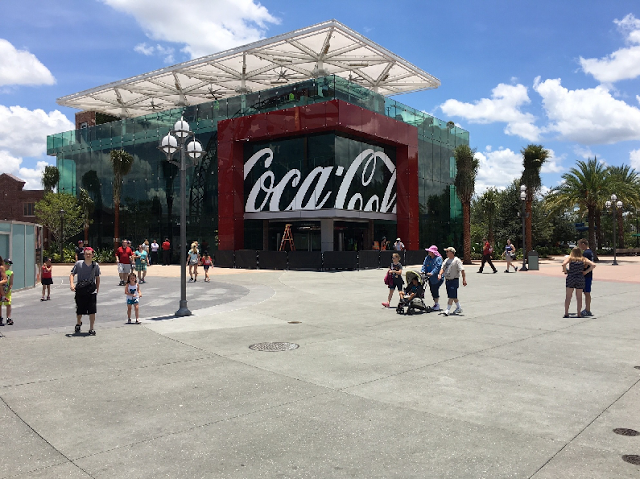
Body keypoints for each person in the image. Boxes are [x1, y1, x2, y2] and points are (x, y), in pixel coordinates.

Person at [69, 247, 100, 335]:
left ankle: (91, 328)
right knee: (79, 309)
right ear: (84, 255)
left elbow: (97, 277)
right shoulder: (78, 264)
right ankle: (79, 322)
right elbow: (72, 274)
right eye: (86, 254)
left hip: (91, 291)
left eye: (90, 254)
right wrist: (71, 284)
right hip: (81, 290)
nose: (88, 255)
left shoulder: (95, 265)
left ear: (93, 255)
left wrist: (97, 288)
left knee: (92, 310)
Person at [562, 247, 596, 318]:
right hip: (580, 278)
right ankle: (579, 313)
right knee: (579, 297)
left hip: (571, 277)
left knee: (568, 296)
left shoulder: (570, 258)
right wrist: (586, 272)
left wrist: (565, 271)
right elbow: (593, 265)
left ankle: (566, 313)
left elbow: (563, 264)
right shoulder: (583, 259)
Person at [438, 247, 467, 316]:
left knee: (451, 296)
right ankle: (459, 307)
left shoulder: (457, 260)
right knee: (453, 295)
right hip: (447, 280)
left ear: (451, 252)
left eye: (447, 252)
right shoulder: (446, 260)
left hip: (454, 280)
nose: (446, 253)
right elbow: (443, 268)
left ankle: (447, 310)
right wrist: (440, 274)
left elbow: (462, 270)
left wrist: (464, 280)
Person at [421, 245, 444, 311]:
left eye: (430, 251)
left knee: (435, 289)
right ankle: (436, 303)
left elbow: (438, 267)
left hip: (437, 278)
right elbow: (424, 265)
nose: (429, 252)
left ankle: (437, 304)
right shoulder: (427, 258)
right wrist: (423, 271)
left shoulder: (438, 259)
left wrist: (432, 273)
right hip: (429, 277)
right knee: (432, 290)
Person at [578, 238, 594, 316]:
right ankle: (587, 309)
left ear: (583, 244)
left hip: (586, 276)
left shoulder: (586, 253)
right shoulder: (590, 252)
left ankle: (587, 309)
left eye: (579, 245)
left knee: (586, 292)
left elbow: (585, 265)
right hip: (589, 275)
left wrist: (584, 271)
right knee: (586, 292)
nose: (579, 246)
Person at [0, 258, 14, 326]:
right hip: (0, 289)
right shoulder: (1, 271)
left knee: (8, 304)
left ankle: (8, 318)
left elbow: (11, 283)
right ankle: (0, 318)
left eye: (10, 264)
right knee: (0, 304)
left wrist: (8, 290)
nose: (8, 265)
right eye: (7, 264)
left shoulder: (10, 273)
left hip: (7, 290)